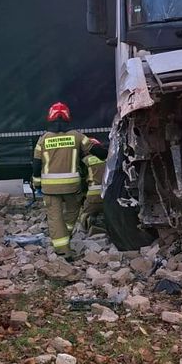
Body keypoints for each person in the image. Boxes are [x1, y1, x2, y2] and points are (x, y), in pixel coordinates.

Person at [31, 102, 106, 258]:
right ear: (68, 117)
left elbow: (36, 165)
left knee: (55, 217)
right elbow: (99, 152)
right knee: (72, 211)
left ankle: (63, 250)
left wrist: (37, 183)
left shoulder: (43, 139)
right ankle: (67, 234)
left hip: (50, 189)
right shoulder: (77, 136)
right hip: (72, 187)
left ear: (50, 117)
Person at [78, 138, 107, 233]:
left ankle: (86, 230)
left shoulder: (85, 160)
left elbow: (82, 182)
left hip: (93, 197)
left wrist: (82, 197)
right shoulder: (109, 158)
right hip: (109, 195)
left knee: (84, 214)